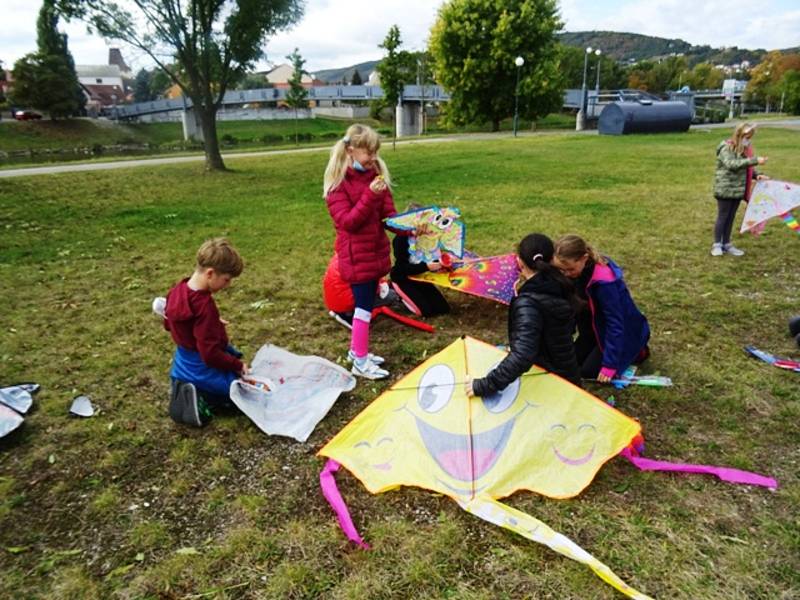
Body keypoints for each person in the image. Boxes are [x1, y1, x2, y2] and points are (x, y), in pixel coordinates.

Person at [324, 124, 399, 380]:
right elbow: (348, 222)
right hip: (356, 257)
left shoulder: (375, 175)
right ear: (351, 150)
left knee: (365, 306)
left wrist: (411, 228)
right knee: (363, 309)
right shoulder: (337, 185)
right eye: (369, 152)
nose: (373, 158)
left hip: (374, 254)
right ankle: (359, 359)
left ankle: (358, 352)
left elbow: (388, 215)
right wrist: (369, 195)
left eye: (376, 152)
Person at [465, 233, 581, 398]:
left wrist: (485, 385)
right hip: (567, 374)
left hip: (554, 385)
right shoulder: (560, 283)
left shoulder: (529, 303)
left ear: (519, 261)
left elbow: (523, 355)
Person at [161, 238, 248, 426]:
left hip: (183, 361)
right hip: (201, 365)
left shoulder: (178, 289)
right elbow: (209, 354)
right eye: (226, 279)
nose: (228, 285)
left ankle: (185, 384)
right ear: (210, 273)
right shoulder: (204, 306)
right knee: (239, 392)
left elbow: (169, 322)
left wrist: (212, 324)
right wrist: (237, 365)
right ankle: (201, 398)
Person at [554, 234, 650, 384]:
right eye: (561, 270)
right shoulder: (573, 274)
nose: (566, 274)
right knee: (569, 363)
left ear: (584, 258)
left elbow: (616, 323)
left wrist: (609, 365)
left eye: (569, 269)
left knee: (589, 372)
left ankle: (638, 351)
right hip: (593, 329)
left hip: (620, 332)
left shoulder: (605, 282)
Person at [711, 122, 768, 257]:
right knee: (723, 217)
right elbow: (732, 164)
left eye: (750, 137)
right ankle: (716, 245)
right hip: (725, 189)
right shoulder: (726, 148)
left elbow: (746, 168)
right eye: (746, 137)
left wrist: (756, 175)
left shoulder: (744, 150)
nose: (748, 140)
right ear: (739, 135)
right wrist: (754, 160)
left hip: (738, 189)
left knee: (731, 217)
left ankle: (727, 243)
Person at [390, 205, 451, 317]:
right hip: (403, 278)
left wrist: (441, 262)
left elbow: (431, 256)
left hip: (420, 277)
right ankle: (396, 295)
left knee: (443, 309)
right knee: (425, 312)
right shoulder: (401, 239)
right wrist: (426, 267)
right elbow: (401, 268)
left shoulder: (427, 237)